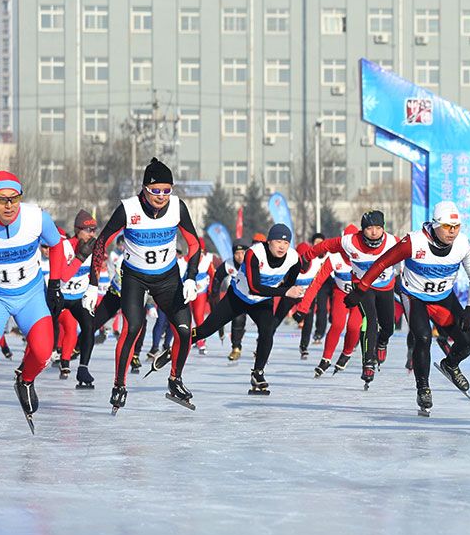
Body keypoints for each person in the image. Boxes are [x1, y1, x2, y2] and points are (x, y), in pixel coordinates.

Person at [84, 158, 204, 411]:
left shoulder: (177, 208)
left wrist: (191, 276)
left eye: (167, 190)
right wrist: (93, 284)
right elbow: (101, 242)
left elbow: (194, 244)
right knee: (133, 327)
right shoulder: (128, 209)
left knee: (184, 329)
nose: (162, 196)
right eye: (155, 190)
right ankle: (119, 385)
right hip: (135, 278)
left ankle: (175, 380)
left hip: (167, 278)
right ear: (145, 189)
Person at [354, 202, 470, 414]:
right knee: (423, 338)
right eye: (447, 227)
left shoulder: (463, 245)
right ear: (435, 224)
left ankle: (450, 364)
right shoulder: (414, 241)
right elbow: (381, 263)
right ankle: (423, 388)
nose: (452, 232)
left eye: (456, 226)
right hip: (414, 297)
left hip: (443, 298)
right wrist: (361, 288)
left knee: (468, 342)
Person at [0, 171, 70, 427]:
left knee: (42, 353)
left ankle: (25, 379)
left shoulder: (37, 218)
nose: (9, 205)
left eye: (14, 198)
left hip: (30, 296)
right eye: (1, 200)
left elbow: (57, 245)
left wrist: (54, 285)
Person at [191, 224, 306, 393]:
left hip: (262, 301)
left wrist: (287, 290)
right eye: (277, 242)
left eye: (286, 243)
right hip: (238, 297)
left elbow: (289, 285)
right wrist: (285, 291)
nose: (282, 246)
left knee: (267, 332)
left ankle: (258, 373)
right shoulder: (254, 253)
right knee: (206, 330)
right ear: (268, 242)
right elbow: (254, 288)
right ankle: (183, 340)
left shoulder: (294, 259)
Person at [299, 210, 399, 384]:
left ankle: (355, 350)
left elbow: (412, 249)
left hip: (384, 288)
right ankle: (360, 362)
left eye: (377, 228)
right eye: (369, 229)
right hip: (355, 291)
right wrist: (306, 256)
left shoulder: (392, 241)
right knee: (352, 322)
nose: (373, 233)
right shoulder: (345, 246)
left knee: (382, 327)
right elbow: (323, 248)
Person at [294, 225, 363, 376]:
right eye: (347, 244)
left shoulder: (364, 256)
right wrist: (303, 308)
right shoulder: (334, 257)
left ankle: (346, 353)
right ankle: (326, 358)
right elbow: (316, 283)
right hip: (341, 294)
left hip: (360, 297)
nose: (350, 249)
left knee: (353, 326)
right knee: (337, 324)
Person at [51, 210, 101, 388]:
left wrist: (92, 291)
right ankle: (26, 366)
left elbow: (94, 273)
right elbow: (64, 275)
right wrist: (80, 257)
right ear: (77, 230)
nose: (91, 234)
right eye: (88, 230)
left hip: (79, 298)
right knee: (45, 331)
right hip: (61, 297)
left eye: (94, 230)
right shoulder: (65, 246)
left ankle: (83, 369)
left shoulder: (94, 246)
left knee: (89, 327)